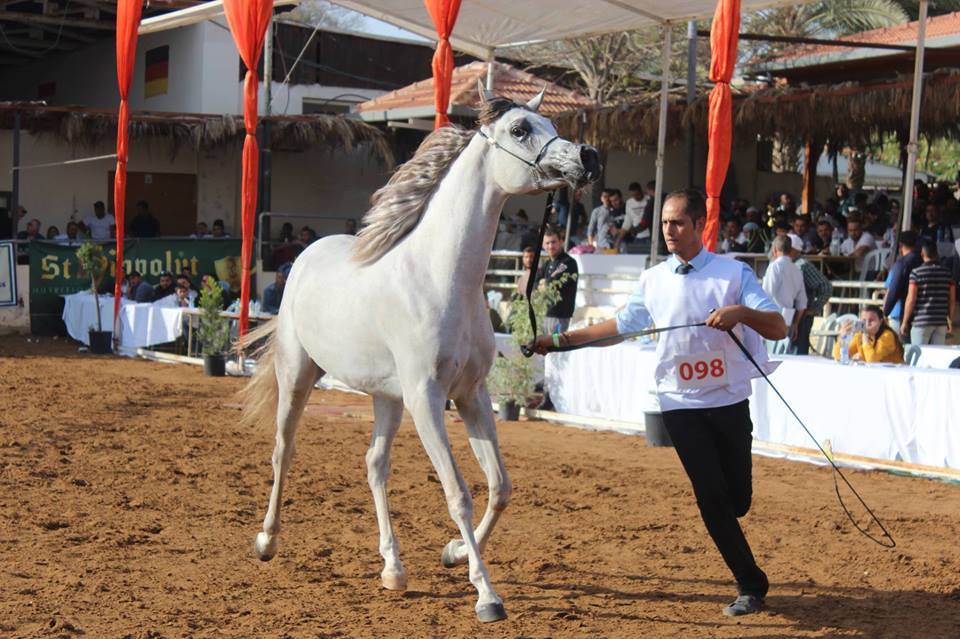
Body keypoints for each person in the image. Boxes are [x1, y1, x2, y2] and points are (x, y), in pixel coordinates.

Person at [533, 190, 787, 617]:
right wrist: (559, 342)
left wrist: (739, 313)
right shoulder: (653, 279)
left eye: (678, 223)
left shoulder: (733, 274)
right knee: (709, 495)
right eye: (665, 223)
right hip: (678, 403)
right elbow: (619, 327)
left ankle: (739, 539)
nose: (669, 230)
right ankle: (750, 581)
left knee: (737, 499)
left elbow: (778, 325)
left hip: (728, 400)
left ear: (698, 225)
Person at [901, 241, 955, 345]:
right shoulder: (948, 273)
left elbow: (911, 299)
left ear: (922, 254)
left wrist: (904, 322)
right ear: (937, 254)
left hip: (921, 322)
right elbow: (952, 300)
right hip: (940, 322)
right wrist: (950, 320)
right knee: (937, 357)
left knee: (919, 355)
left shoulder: (916, 272)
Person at [762, 235, 807, 344]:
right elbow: (802, 303)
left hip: (772, 317)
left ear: (774, 249)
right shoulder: (797, 270)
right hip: (788, 318)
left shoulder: (774, 266)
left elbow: (766, 294)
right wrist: (795, 324)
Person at [792, 236, 833, 355]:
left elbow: (826, 287)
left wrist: (813, 309)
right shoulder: (786, 265)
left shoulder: (803, 265)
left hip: (803, 316)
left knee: (800, 353)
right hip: (792, 314)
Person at [832, 306, 904, 364]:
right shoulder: (859, 335)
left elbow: (872, 360)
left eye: (871, 320)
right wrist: (842, 339)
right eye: (864, 320)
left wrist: (865, 337)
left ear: (880, 321)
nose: (867, 324)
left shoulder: (887, 336)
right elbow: (838, 356)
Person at [883, 231, 922, 335]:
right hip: (920, 315)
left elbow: (892, 291)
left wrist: (885, 312)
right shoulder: (923, 262)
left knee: (901, 348)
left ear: (900, 244)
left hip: (899, 314)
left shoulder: (901, 264)